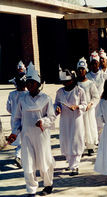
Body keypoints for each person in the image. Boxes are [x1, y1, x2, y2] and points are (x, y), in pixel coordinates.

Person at [7, 62, 56, 196]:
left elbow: (51, 117)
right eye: (27, 83)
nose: (29, 85)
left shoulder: (46, 98)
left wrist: (43, 121)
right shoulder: (22, 99)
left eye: (32, 83)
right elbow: (17, 118)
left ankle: (48, 184)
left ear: (38, 83)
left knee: (44, 160)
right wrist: (14, 133)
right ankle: (31, 188)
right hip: (27, 136)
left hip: (41, 135)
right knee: (28, 163)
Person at [54, 67, 87, 176]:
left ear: (73, 80)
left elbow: (85, 105)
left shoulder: (79, 91)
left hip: (76, 119)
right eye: (64, 82)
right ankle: (70, 163)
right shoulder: (59, 92)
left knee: (76, 141)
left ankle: (75, 166)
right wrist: (57, 108)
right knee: (66, 140)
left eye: (68, 81)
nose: (67, 84)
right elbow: (56, 104)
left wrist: (77, 106)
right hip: (64, 120)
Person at [76, 57, 100, 156]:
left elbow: (96, 96)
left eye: (83, 69)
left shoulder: (90, 83)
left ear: (86, 70)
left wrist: (90, 104)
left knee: (89, 128)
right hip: (78, 110)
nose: (81, 71)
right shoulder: (75, 83)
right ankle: (80, 147)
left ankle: (90, 147)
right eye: (79, 69)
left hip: (88, 110)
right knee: (79, 128)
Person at [6, 71, 27, 168]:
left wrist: (14, 113)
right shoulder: (27, 94)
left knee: (19, 139)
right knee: (24, 140)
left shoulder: (11, 94)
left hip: (13, 119)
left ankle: (20, 156)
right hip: (24, 119)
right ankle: (18, 156)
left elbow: (8, 108)